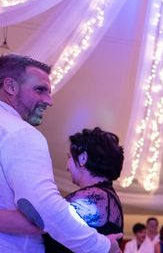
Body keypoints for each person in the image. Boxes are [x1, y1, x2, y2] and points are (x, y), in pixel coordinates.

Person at [0, 54, 121, 253]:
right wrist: (102, 246)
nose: (49, 101)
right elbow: (42, 210)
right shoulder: (20, 133)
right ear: (11, 87)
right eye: (40, 90)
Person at [42, 127, 125, 252]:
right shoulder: (107, 196)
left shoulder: (93, 198)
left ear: (83, 158)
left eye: (69, 157)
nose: (67, 167)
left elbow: (42, 221)